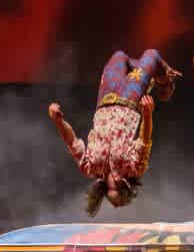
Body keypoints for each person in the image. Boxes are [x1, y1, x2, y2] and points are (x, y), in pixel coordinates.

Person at [48, 49, 180, 216]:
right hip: (129, 100)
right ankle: (163, 82)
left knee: (120, 56)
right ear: (126, 185)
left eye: (110, 188)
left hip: (106, 98)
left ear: (102, 189)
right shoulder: (134, 169)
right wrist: (147, 115)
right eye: (118, 186)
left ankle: (154, 78)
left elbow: (72, 142)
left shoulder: (90, 168)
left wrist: (58, 121)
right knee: (152, 55)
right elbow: (144, 140)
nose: (114, 181)